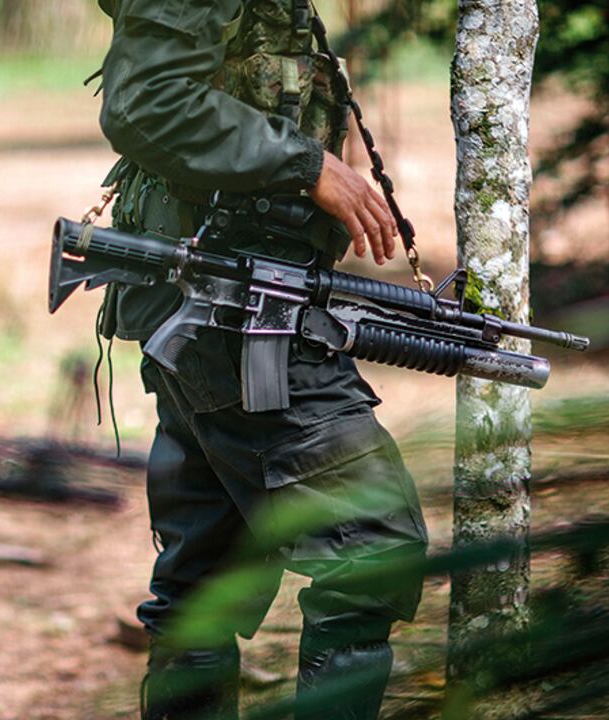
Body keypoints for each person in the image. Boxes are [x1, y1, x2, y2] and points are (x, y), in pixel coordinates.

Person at [93, 0, 429, 718]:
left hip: (234, 298)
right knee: (374, 544)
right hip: (234, 311)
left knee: (206, 585)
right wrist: (309, 167)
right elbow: (146, 102)